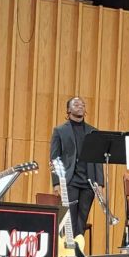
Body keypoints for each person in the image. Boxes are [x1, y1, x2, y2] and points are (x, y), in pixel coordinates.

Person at [50, 96, 103, 242]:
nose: (80, 106)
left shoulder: (93, 131)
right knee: (69, 217)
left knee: (82, 218)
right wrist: (56, 183)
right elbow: (55, 158)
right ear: (68, 109)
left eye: (82, 104)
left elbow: (98, 160)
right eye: (76, 104)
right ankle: (68, 249)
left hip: (89, 182)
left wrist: (100, 183)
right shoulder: (60, 130)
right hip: (70, 180)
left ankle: (78, 247)